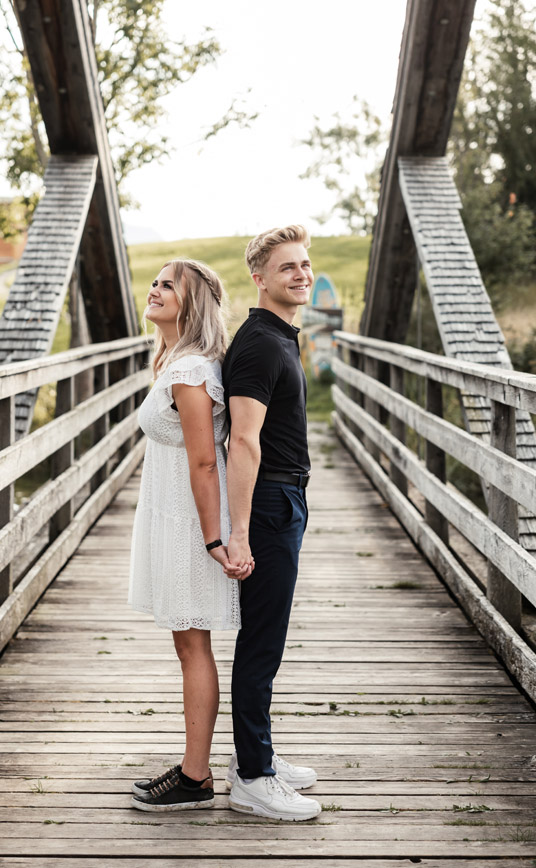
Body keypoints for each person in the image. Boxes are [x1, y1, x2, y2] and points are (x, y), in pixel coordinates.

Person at [128, 258, 253, 813]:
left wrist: (211, 542)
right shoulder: (179, 362)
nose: (155, 290)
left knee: (191, 642)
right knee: (187, 641)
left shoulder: (190, 372)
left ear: (193, 301)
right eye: (154, 282)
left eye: (168, 285)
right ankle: (194, 768)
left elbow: (206, 463)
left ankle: (195, 777)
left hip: (190, 522)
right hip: (176, 515)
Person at [222, 225, 321, 821]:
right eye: (288, 267)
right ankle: (253, 778)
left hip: (285, 499)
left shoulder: (280, 337)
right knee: (262, 643)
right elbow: (243, 441)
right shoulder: (261, 344)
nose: (302, 274)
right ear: (259, 278)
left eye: (305, 265)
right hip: (267, 505)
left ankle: (254, 754)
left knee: (267, 640)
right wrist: (239, 532)